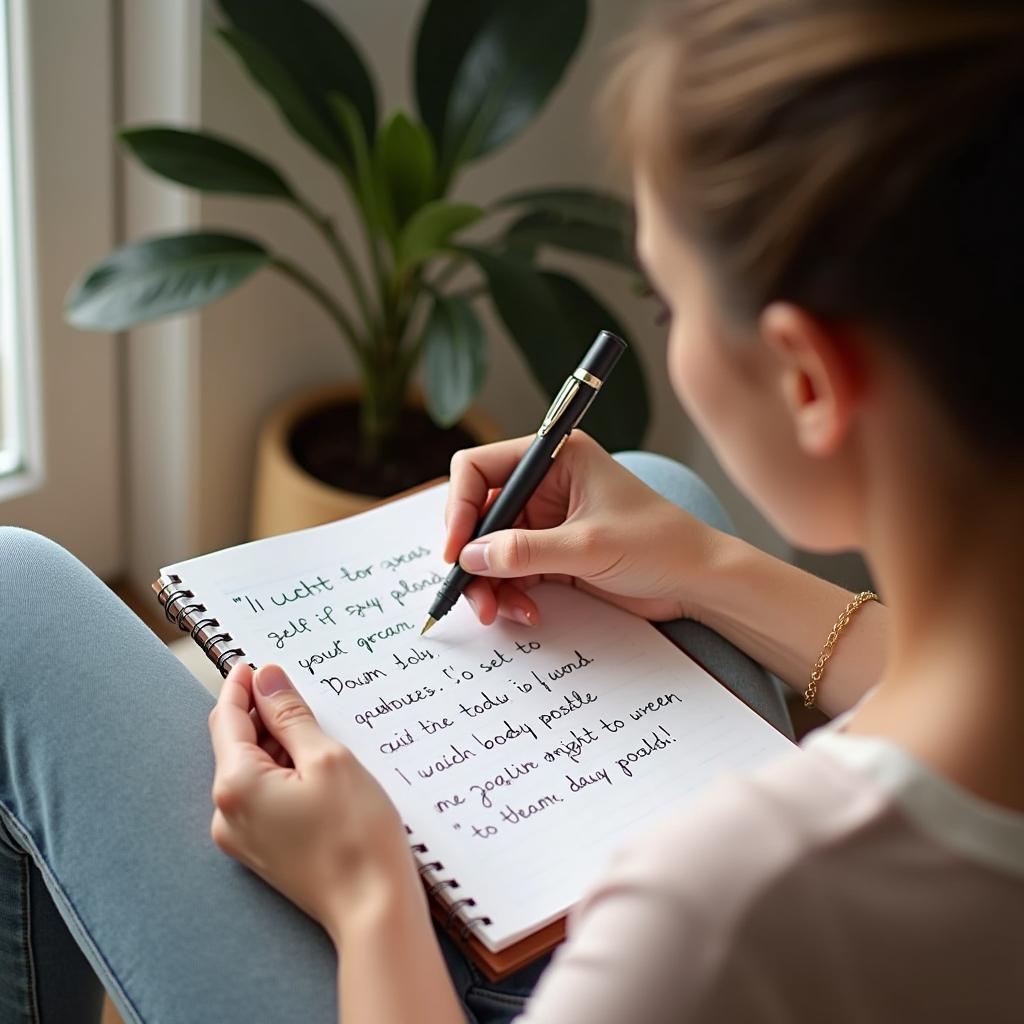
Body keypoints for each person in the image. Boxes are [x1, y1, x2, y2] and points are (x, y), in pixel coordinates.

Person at [2, 0, 1022, 1020]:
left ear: (805, 381)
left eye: (667, 305)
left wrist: (367, 896)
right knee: (660, 484)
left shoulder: (716, 916)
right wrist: (701, 562)